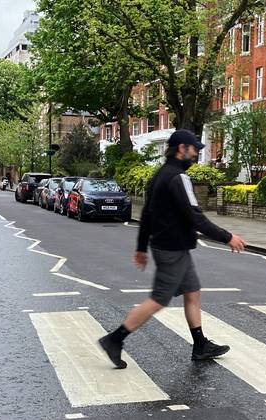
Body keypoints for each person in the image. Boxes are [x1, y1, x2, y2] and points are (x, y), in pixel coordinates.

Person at [99, 129, 246, 369]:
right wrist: (228, 237)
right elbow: (195, 218)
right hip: (172, 249)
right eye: (194, 149)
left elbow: (146, 214)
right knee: (158, 299)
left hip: (170, 246)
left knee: (192, 291)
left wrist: (141, 247)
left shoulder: (159, 175)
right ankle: (115, 339)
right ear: (182, 149)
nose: (197, 153)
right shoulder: (179, 177)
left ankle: (200, 345)